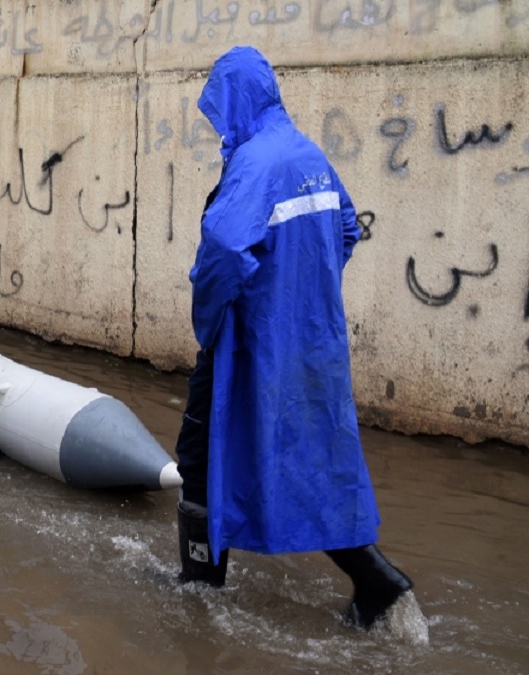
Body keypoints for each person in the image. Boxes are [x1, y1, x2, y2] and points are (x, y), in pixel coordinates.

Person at [175, 46, 413, 630]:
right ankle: (380, 584)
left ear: (235, 100)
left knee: (199, 453)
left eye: (218, 107)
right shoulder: (308, 154)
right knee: (310, 461)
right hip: (311, 345)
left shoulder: (257, 162)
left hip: (253, 346)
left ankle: (198, 589)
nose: (217, 122)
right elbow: (347, 227)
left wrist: (212, 322)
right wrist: (301, 291)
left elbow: (226, 251)